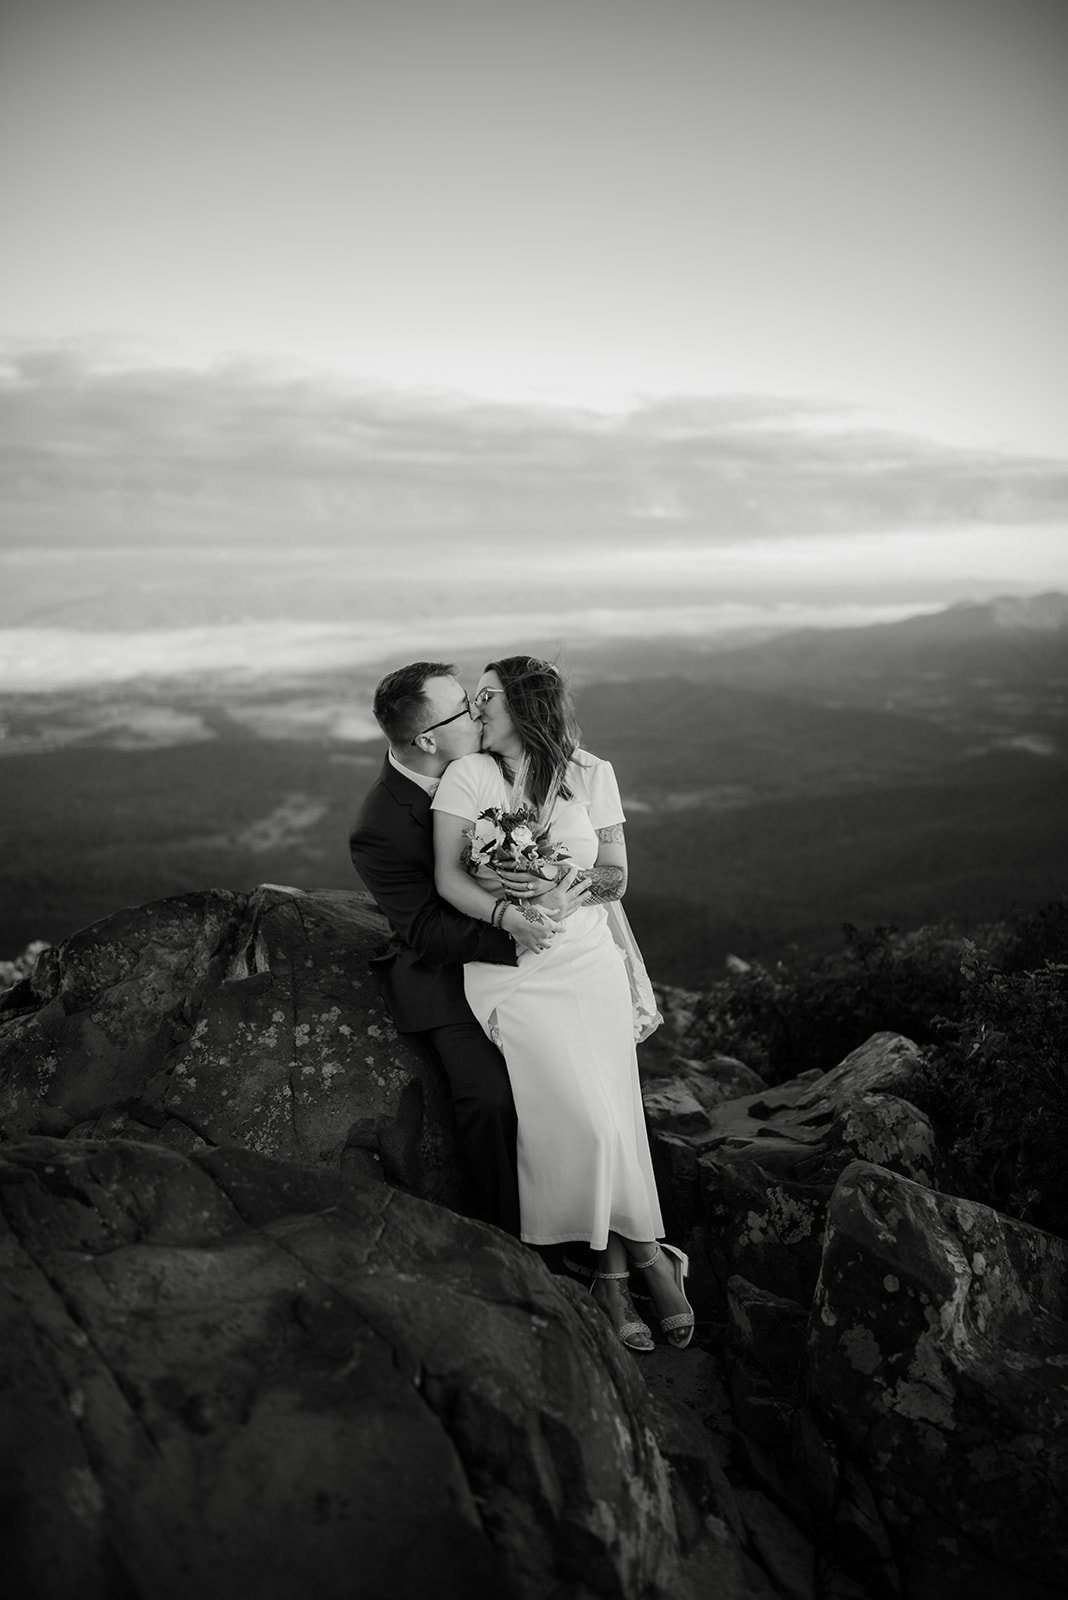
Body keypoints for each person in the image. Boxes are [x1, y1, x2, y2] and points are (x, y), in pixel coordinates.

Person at [432, 655, 694, 1351]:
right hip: (512, 967)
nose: (475, 709)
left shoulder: (591, 773)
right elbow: (447, 880)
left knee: (610, 1117)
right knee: (584, 1121)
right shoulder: (467, 776)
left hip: (588, 959)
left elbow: (616, 877)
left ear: (526, 704)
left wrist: (562, 884)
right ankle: (644, 1256)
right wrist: (506, 910)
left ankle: (619, 1269)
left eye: (486, 697)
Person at [348, 661, 590, 1237]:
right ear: (427, 739)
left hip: (539, 941)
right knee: (491, 1101)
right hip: (449, 972)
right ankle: (518, 1248)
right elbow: (426, 930)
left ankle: (594, 1224)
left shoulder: (496, 763)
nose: (479, 711)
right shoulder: (380, 824)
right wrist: (520, 930)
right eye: (464, 707)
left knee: (574, 1082)